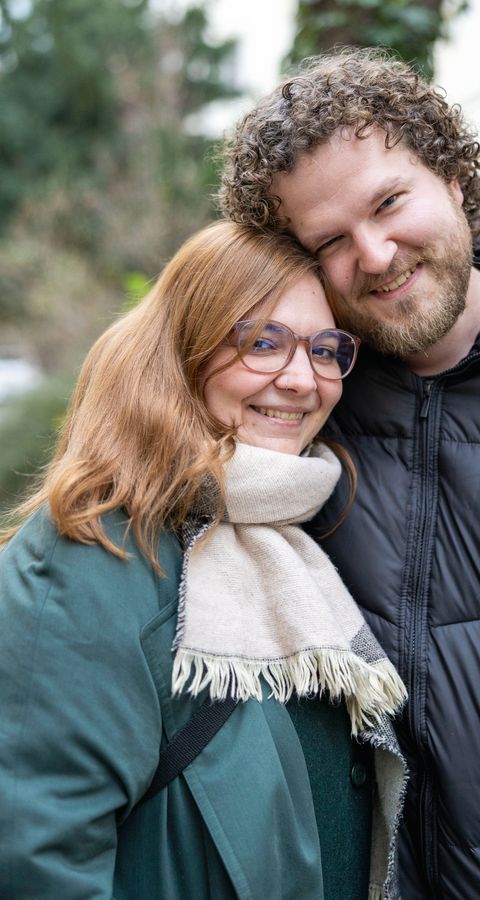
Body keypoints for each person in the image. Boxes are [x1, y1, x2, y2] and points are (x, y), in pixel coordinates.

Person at [218, 48, 480, 899]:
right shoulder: (302, 404)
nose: (376, 252)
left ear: (455, 179)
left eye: (389, 202)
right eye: (330, 241)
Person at [0, 220, 408, 900]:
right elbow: (36, 865)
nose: (303, 380)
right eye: (264, 342)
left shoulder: (299, 542)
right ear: (182, 353)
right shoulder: (88, 558)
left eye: (326, 349)